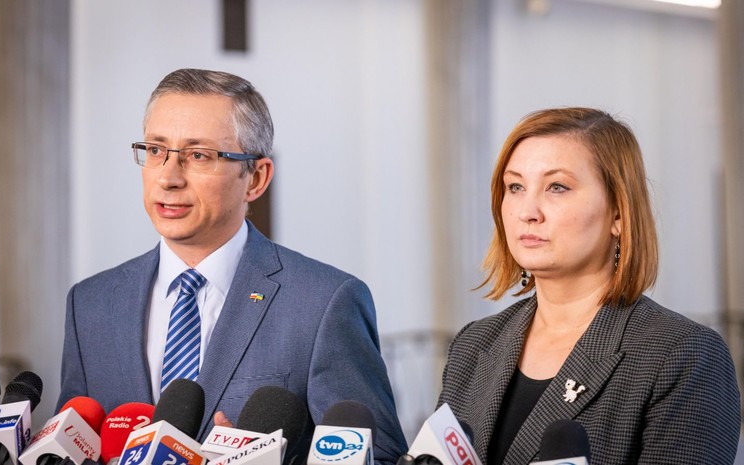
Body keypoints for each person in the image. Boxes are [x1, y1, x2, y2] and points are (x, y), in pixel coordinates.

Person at [57, 68, 407, 464]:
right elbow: (67, 446)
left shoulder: (324, 303)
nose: (168, 178)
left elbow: (381, 456)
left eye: (198, 156)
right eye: (155, 150)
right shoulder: (90, 304)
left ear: (256, 178)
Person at [437, 108, 741, 464]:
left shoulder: (683, 355)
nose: (527, 211)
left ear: (618, 213)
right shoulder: (473, 345)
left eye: (557, 187)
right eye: (515, 187)